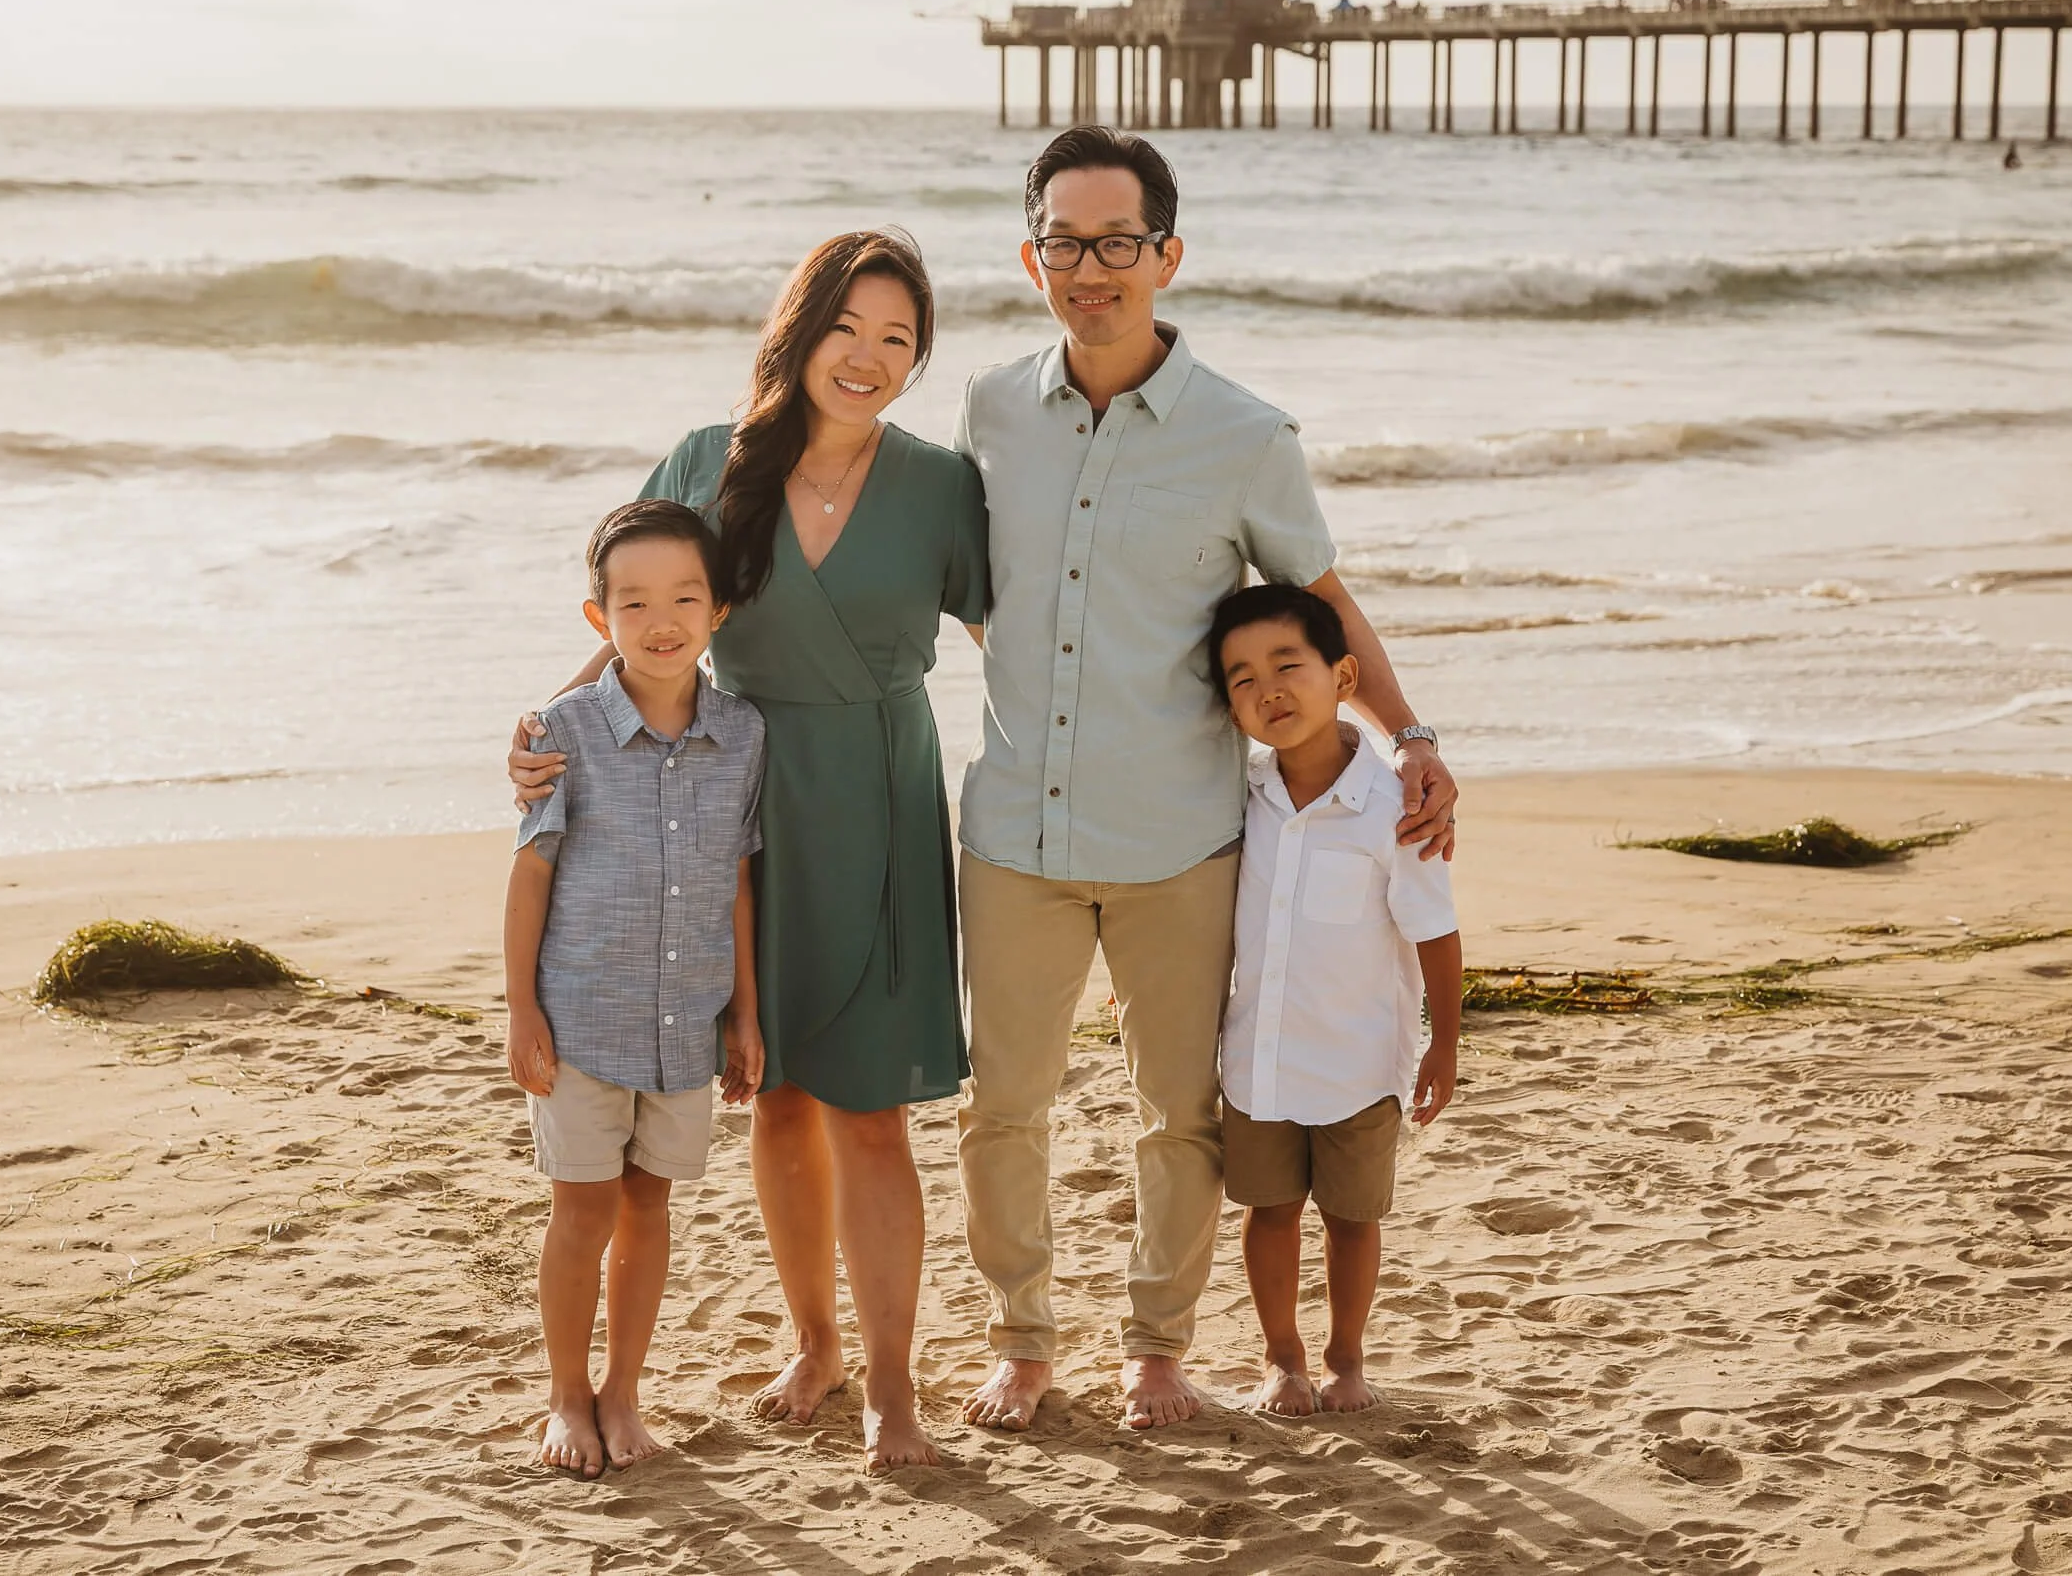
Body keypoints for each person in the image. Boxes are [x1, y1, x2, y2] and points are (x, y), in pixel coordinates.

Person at [953, 126, 1460, 1435]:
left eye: (1119, 240)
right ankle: (1021, 1335)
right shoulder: (992, 407)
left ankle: (1156, 1349)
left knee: (1179, 1114)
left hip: (1182, 838)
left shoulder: (1245, 434)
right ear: (1032, 259)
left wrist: (1413, 736)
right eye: (1065, 241)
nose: (1092, 265)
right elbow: (972, 591)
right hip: (1016, 828)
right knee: (1002, 1105)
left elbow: (1325, 602)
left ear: (1167, 254)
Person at [510, 230, 988, 1472]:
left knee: (871, 1111)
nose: (870, 358)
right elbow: (644, 613)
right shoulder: (711, 461)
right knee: (773, 1095)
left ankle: (891, 1385)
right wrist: (548, 733)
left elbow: (1022, 640)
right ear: (800, 330)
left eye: (899, 338)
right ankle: (815, 1340)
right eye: (849, 329)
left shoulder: (940, 484)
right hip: (732, 795)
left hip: (878, 799)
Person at [504, 498, 768, 1477]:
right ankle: (566, 1396)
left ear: (718, 611)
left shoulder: (743, 734)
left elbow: (740, 878)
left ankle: (623, 1389)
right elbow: (531, 872)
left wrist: (744, 1010)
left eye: (685, 598)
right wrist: (522, 1008)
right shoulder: (559, 731)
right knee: (582, 1210)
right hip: (581, 1021)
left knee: (649, 1207)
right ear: (598, 617)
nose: (663, 619)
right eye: (635, 601)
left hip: (685, 1024)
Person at [1203, 584, 1462, 1418]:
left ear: (1343, 673)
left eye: (1288, 665)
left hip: (1358, 1061)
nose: (1268, 690)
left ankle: (1347, 1357)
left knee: (1353, 1220)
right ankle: (1283, 1358)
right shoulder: (1239, 795)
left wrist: (1444, 1045)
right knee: (1268, 1212)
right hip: (1260, 1061)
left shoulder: (1398, 806)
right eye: (1241, 679)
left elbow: (1436, 930)